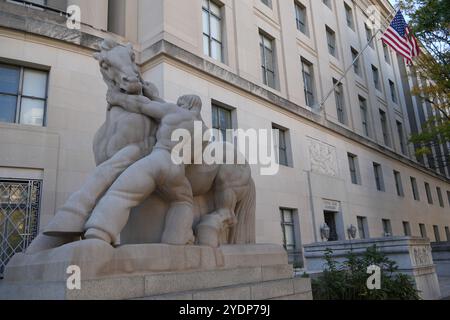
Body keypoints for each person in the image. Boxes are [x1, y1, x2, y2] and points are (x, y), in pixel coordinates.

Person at [83, 91, 205, 245]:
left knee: (122, 193)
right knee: (184, 201)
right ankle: (176, 238)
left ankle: (99, 231)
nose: (177, 105)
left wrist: (117, 98)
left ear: (185, 104)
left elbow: (143, 105)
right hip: (177, 170)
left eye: (180, 102)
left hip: (159, 159)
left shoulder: (174, 112)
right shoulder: (204, 131)